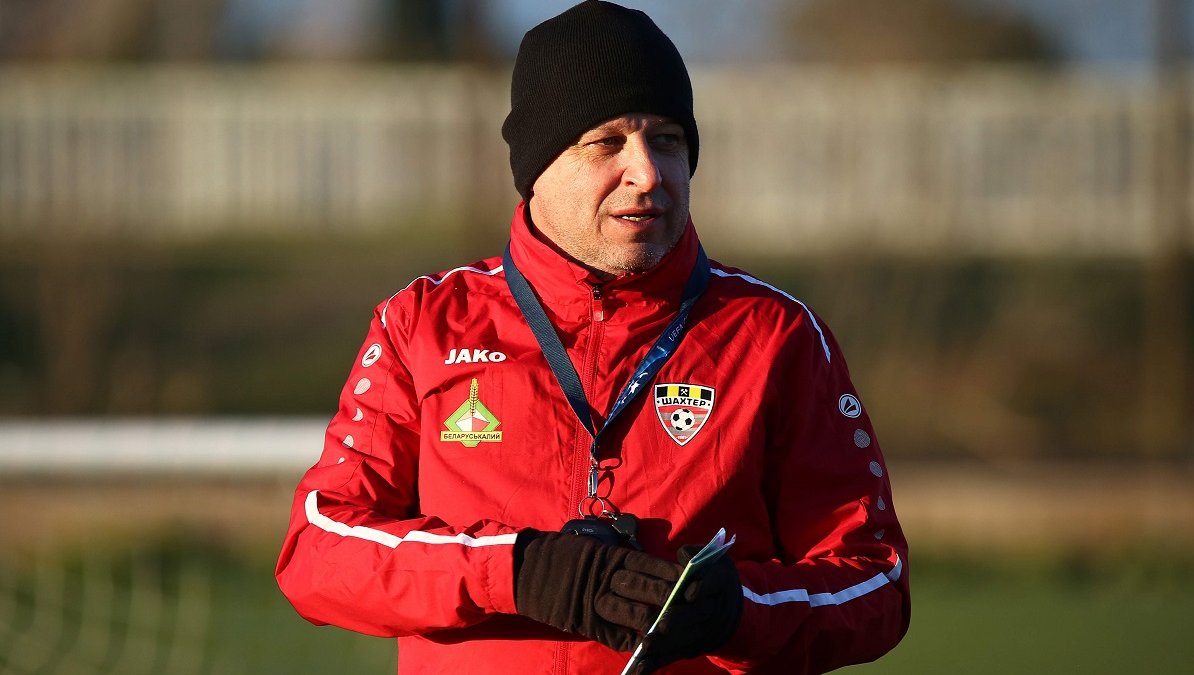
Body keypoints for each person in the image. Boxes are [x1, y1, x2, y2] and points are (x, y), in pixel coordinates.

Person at [275, 2, 910, 673]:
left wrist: (738, 610)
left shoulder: (775, 334)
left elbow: (875, 581)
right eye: (607, 142)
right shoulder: (423, 323)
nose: (648, 172)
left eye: (667, 139)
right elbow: (319, 551)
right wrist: (515, 569)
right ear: (538, 166)